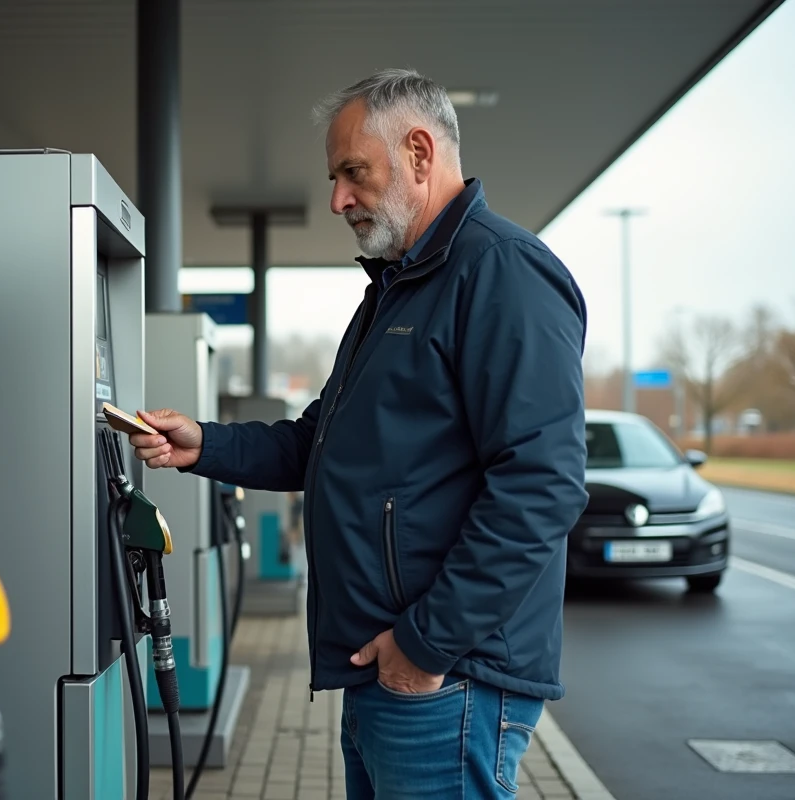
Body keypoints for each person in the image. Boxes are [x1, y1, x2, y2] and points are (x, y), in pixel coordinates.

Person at [129, 69, 589, 800]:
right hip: (390, 670)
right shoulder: (397, 290)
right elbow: (320, 443)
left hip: (445, 681)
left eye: (353, 173)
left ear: (419, 153)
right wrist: (205, 445)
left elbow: (542, 486)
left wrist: (425, 643)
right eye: (335, 178)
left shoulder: (501, 272)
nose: (338, 199)